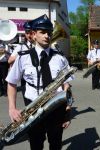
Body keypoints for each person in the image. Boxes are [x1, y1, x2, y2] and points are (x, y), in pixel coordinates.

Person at [6, 14, 73, 150]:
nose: (47, 36)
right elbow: (12, 83)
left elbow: (66, 84)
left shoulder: (60, 58)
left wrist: (67, 109)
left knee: (56, 144)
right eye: (42, 32)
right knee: (36, 145)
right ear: (34, 34)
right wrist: (12, 108)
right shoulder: (23, 58)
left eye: (49, 32)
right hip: (33, 109)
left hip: (56, 108)